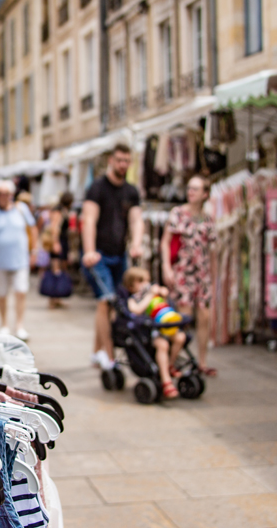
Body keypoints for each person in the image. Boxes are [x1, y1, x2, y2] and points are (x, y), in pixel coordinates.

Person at [82, 143, 143, 370]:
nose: (123, 165)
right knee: (105, 300)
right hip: (98, 255)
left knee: (115, 304)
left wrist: (136, 244)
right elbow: (88, 220)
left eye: (126, 161)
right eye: (119, 160)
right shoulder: (97, 188)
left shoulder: (131, 191)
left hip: (120, 254)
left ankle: (95, 352)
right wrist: (89, 250)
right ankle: (109, 357)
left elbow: (136, 220)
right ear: (111, 161)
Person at [161, 174, 217, 377]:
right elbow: (166, 242)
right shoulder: (177, 213)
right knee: (184, 317)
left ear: (205, 194)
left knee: (204, 316)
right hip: (183, 271)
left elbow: (212, 250)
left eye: (195, 189)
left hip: (202, 273)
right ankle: (174, 360)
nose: (190, 192)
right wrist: (167, 267)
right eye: (189, 188)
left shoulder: (208, 218)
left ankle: (202, 361)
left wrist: (214, 277)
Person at [0, 180, 37, 340]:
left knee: (21, 292)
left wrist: (34, 251)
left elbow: (33, 229)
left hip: (20, 260)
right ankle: (4, 324)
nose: (3, 197)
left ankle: (19, 325)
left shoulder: (21, 209)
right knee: (2, 294)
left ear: (11, 195)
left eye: (5, 193)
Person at [123, 267, 186, 399]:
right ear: (130, 286)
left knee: (181, 337)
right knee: (162, 345)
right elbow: (136, 310)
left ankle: (170, 365)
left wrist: (164, 294)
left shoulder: (154, 295)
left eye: (147, 281)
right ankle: (166, 381)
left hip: (166, 326)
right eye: (140, 282)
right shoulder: (134, 299)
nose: (145, 284)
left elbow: (166, 306)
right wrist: (149, 295)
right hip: (151, 332)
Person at [44, 192, 74, 309]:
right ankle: (52, 298)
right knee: (55, 269)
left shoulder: (63, 210)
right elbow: (54, 227)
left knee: (60, 269)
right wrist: (56, 243)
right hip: (59, 242)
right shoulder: (58, 210)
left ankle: (58, 297)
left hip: (63, 242)